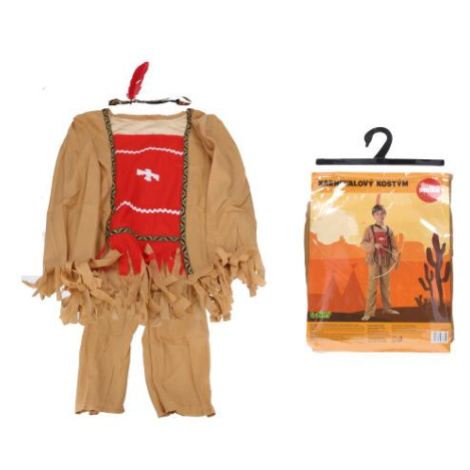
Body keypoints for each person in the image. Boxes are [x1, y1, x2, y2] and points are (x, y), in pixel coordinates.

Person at [360, 203, 400, 321]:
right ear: (373, 215)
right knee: (372, 286)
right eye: (377, 214)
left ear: (385, 215)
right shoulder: (369, 229)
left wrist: (395, 254)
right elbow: (363, 243)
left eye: (382, 213)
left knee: (386, 286)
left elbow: (393, 247)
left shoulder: (389, 230)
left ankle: (387, 308)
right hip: (374, 260)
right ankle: (368, 312)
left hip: (386, 260)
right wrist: (374, 245)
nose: (380, 216)